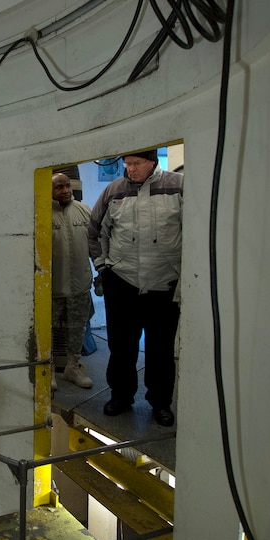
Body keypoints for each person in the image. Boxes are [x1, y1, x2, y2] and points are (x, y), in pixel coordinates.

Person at [88, 149, 182, 426]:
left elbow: (196, 231)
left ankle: (161, 403)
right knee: (121, 346)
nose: (131, 169)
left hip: (164, 283)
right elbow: (95, 232)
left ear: (152, 161)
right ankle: (120, 396)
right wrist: (103, 267)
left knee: (161, 349)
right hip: (123, 282)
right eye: (127, 164)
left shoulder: (178, 186)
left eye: (137, 163)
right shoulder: (114, 191)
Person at [51, 172, 94, 389]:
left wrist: (101, 273)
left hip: (80, 285)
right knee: (48, 330)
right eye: (59, 187)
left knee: (78, 328)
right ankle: (46, 371)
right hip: (52, 288)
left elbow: (95, 244)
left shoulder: (84, 211)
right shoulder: (42, 213)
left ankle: (72, 367)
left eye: (67, 186)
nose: (66, 190)